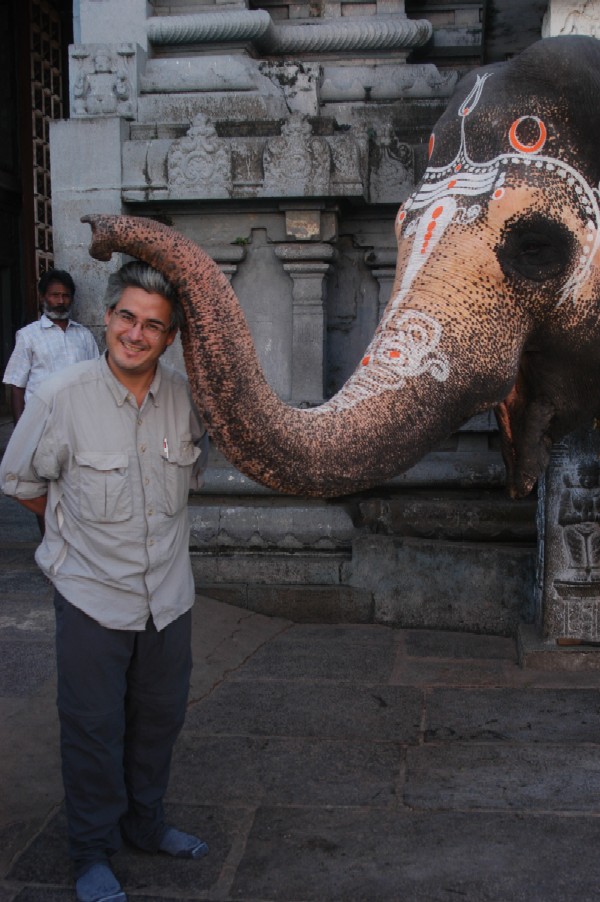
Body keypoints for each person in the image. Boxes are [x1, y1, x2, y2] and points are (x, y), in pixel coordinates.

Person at [0, 261, 209, 902]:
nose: (136, 334)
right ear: (108, 317)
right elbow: (19, 481)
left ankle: (146, 823)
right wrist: (71, 527)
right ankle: (90, 851)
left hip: (168, 600)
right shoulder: (59, 396)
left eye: (153, 325)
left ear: (170, 337)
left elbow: (187, 478)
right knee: (92, 729)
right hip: (91, 596)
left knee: (158, 720)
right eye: (126, 317)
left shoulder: (184, 398)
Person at [3, 268, 99, 424]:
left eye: (65, 296)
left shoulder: (84, 335)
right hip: (41, 423)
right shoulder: (28, 336)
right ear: (42, 298)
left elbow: (96, 380)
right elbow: (17, 387)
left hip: (79, 422)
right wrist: (20, 433)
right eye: (55, 295)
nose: (61, 301)